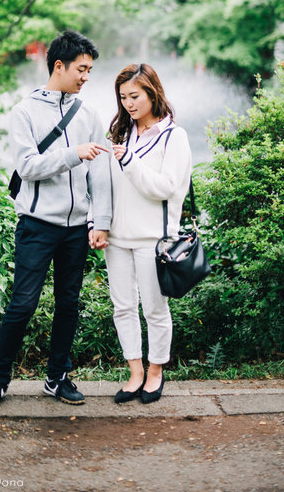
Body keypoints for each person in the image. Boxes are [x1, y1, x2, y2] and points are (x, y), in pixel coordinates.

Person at [0, 30, 111, 409]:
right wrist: (73, 153)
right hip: (36, 225)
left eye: (89, 70)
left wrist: (100, 220)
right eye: (81, 69)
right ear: (58, 66)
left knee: (69, 303)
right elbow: (28, 166)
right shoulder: (25, 111)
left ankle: (57, 377)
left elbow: (99, 172)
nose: (86, 76)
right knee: (23, 304)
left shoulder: (89, 113)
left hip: (76, 228)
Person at [106, 63, 192, 404]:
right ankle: (135, 371)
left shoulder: (175, 136)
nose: (128, 103)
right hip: (115, 237)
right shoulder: (120, 134)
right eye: (123, 97)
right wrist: (96, 224)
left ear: (152, 93)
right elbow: (104, 184)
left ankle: (156, 371)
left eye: (135, 96)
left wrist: (129, 161)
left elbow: (165, 188)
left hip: (153, 240)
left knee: (155, 309)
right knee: (122, 307)